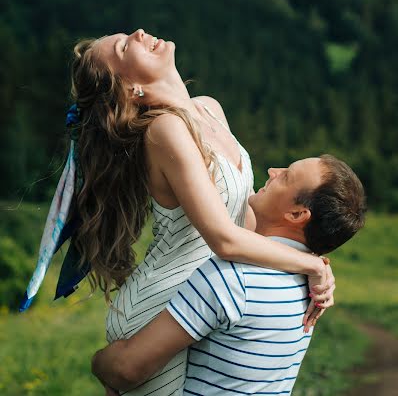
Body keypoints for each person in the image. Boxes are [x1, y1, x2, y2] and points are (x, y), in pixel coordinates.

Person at [63, 28, 334, 395]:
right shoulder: (165, 129)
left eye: (128, 34)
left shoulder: (209, 109)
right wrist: (312, 265)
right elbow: (224, 239)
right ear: (130, 90)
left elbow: (244, 218)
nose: (140, 33)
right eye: (126, 46)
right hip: (161, 303)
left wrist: (312, 265)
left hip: (200, 301)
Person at [91, 154, 366, 396]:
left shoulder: (233, 279)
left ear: (296, 214)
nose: (273, 171)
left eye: (286, 176)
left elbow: (127, 369)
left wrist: (99, 361)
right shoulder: (311, 287)